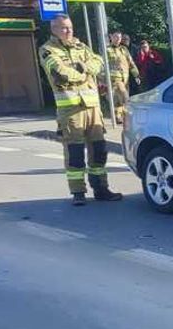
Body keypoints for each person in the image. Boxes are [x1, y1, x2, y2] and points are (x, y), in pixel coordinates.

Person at [38, 14, 122, 205]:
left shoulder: (81, 46)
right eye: (63, 28)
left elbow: (98, 62)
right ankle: (78, 193)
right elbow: (61, 73)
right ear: (54, 29)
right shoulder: (47, 50)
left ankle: (101, 188)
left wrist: (82, 67)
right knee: (75, 153)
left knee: (99, 150)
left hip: (92, 107)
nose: (68, 31)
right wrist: (84, 73)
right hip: (71, 110)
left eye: (70, 28)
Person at [106, 30, 141, 122]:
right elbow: (101, 65)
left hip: (125, 79)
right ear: (111, 37)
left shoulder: (124, 49)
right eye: (116, 37)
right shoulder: (107, 50)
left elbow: (131, 63)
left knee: (120, 100)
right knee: (124, 97)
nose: (118, 39)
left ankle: (120, 117)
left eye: (119, 37)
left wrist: (136, 75)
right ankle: (125, 116)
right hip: (114, 79)